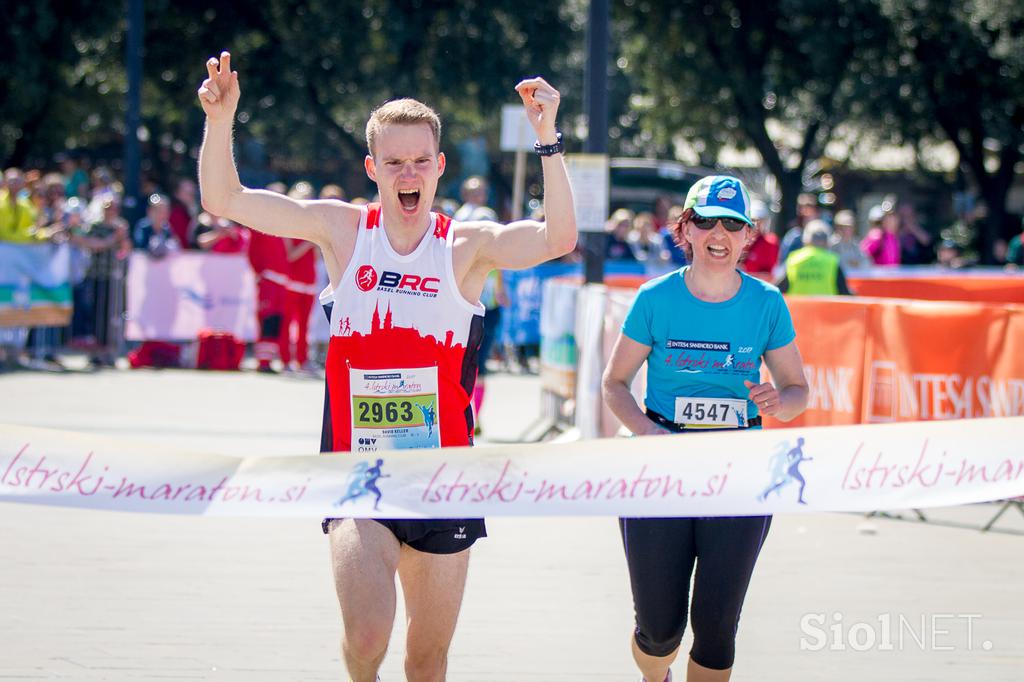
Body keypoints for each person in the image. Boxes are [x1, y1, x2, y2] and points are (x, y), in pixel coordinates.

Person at [197, 51, 575, 682]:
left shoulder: (466, 246)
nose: (409, 173)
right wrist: (221, 118)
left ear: (439, 168)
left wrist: (548, 139)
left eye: (421, 161)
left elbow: (557, 239)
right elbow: (224, 198)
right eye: (394, 161)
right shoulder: (342, 231)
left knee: (426, 662)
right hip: (357, 473)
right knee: (368, 636)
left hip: (444, 475)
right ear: (373, 168)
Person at [601, 175, 808, 682]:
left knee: (717, 627)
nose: (719, 233)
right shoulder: (655, 298)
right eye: (706, 222)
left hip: (738, 472)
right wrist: (648, 434)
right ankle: (656, 674)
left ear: (747, 236)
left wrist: (780, 402)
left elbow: (798, 390)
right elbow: (615, 384)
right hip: (661, 470)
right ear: (685, 230)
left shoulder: (766, 303)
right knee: (658, 631)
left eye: (732, 224)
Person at [778, 221, 852, 295]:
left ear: (806, 240)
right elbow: (844, 293)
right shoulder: (832, 261)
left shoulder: (794, 259)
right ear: (826, 242)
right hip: (826, 306)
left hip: (796, 306)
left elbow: (779, 288)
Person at [740, 199, 778, 281]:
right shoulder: (737, 239)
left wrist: (742, 275)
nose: (756, 225)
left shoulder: (770, 243)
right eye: (753, 220)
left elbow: (770, 277)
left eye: (760, 221)